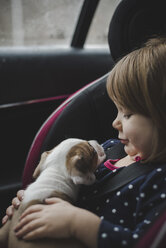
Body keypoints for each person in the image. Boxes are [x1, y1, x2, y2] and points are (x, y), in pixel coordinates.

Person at [2, 37, 166, 248]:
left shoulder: (159, 182)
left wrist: (76, 222)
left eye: (128, 113)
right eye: (117, 109)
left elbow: (146, 243)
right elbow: (68, 182)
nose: (115, 122)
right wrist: (35, 201)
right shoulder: (107, 150)